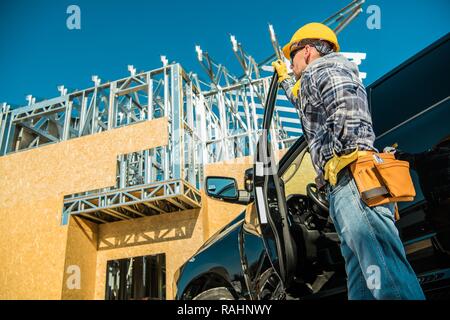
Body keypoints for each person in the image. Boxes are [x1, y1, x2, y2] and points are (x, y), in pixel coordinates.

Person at [272, 22, 425, 300]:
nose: (290, 63)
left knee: (386, 274)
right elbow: (306, 102)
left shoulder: (328, 67)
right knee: (363, 281)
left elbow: (348, 110)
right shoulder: (314, 76)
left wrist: (343, 154)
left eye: (291, 56)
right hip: (343, 186)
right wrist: (285, 81)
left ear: (306, 51)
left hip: (353, 178)